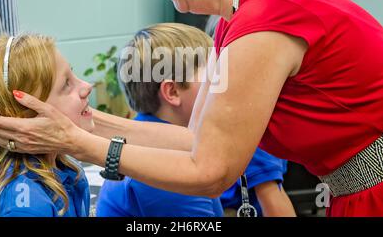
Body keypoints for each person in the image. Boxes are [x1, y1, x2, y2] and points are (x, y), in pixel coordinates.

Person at [0, 0, 383, 216]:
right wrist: (81, 125)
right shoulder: (238, 16)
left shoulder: (266, 17)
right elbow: (193, 138)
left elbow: (210, 171)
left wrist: (84, 145)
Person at [97, 23, 294, 217]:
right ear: (172, 91)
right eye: (213, 75)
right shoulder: (165, 169)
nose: (226, 82)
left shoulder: (152, 144)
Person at [0, 34, 91, 217]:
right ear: (22, 119)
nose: (87, 86)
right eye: (66, 84)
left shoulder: (67, 169)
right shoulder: (26, 207)